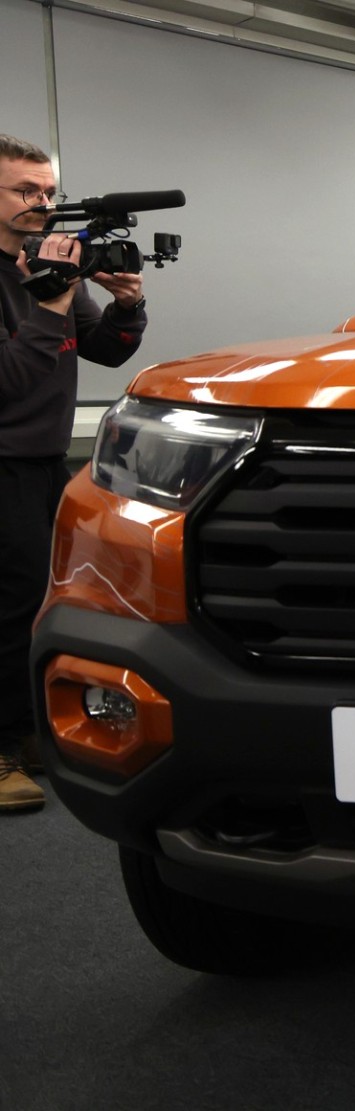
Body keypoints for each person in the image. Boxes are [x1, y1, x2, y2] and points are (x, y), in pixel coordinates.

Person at [0, 134, 147, 813]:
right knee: (7, 607)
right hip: (3, 463)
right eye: (25, 190)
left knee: (45, 604)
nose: (42, 202)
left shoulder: (47, 266)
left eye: (48, 190)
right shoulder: (42, 282)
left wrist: (126, 305)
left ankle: (24, 727)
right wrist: (52, 302)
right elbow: (12, 380)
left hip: (44, 461)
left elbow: (107, 349)